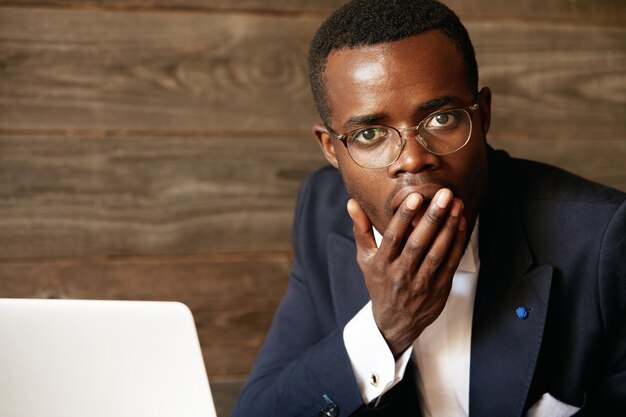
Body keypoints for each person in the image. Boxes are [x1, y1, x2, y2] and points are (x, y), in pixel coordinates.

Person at [232, 0, 626, 416]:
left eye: (441, 119)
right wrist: (385, 327)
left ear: (484, 114)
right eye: (369, 134)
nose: (412, 159)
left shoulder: (602, 237)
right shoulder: (321, 211)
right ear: (332, 149)